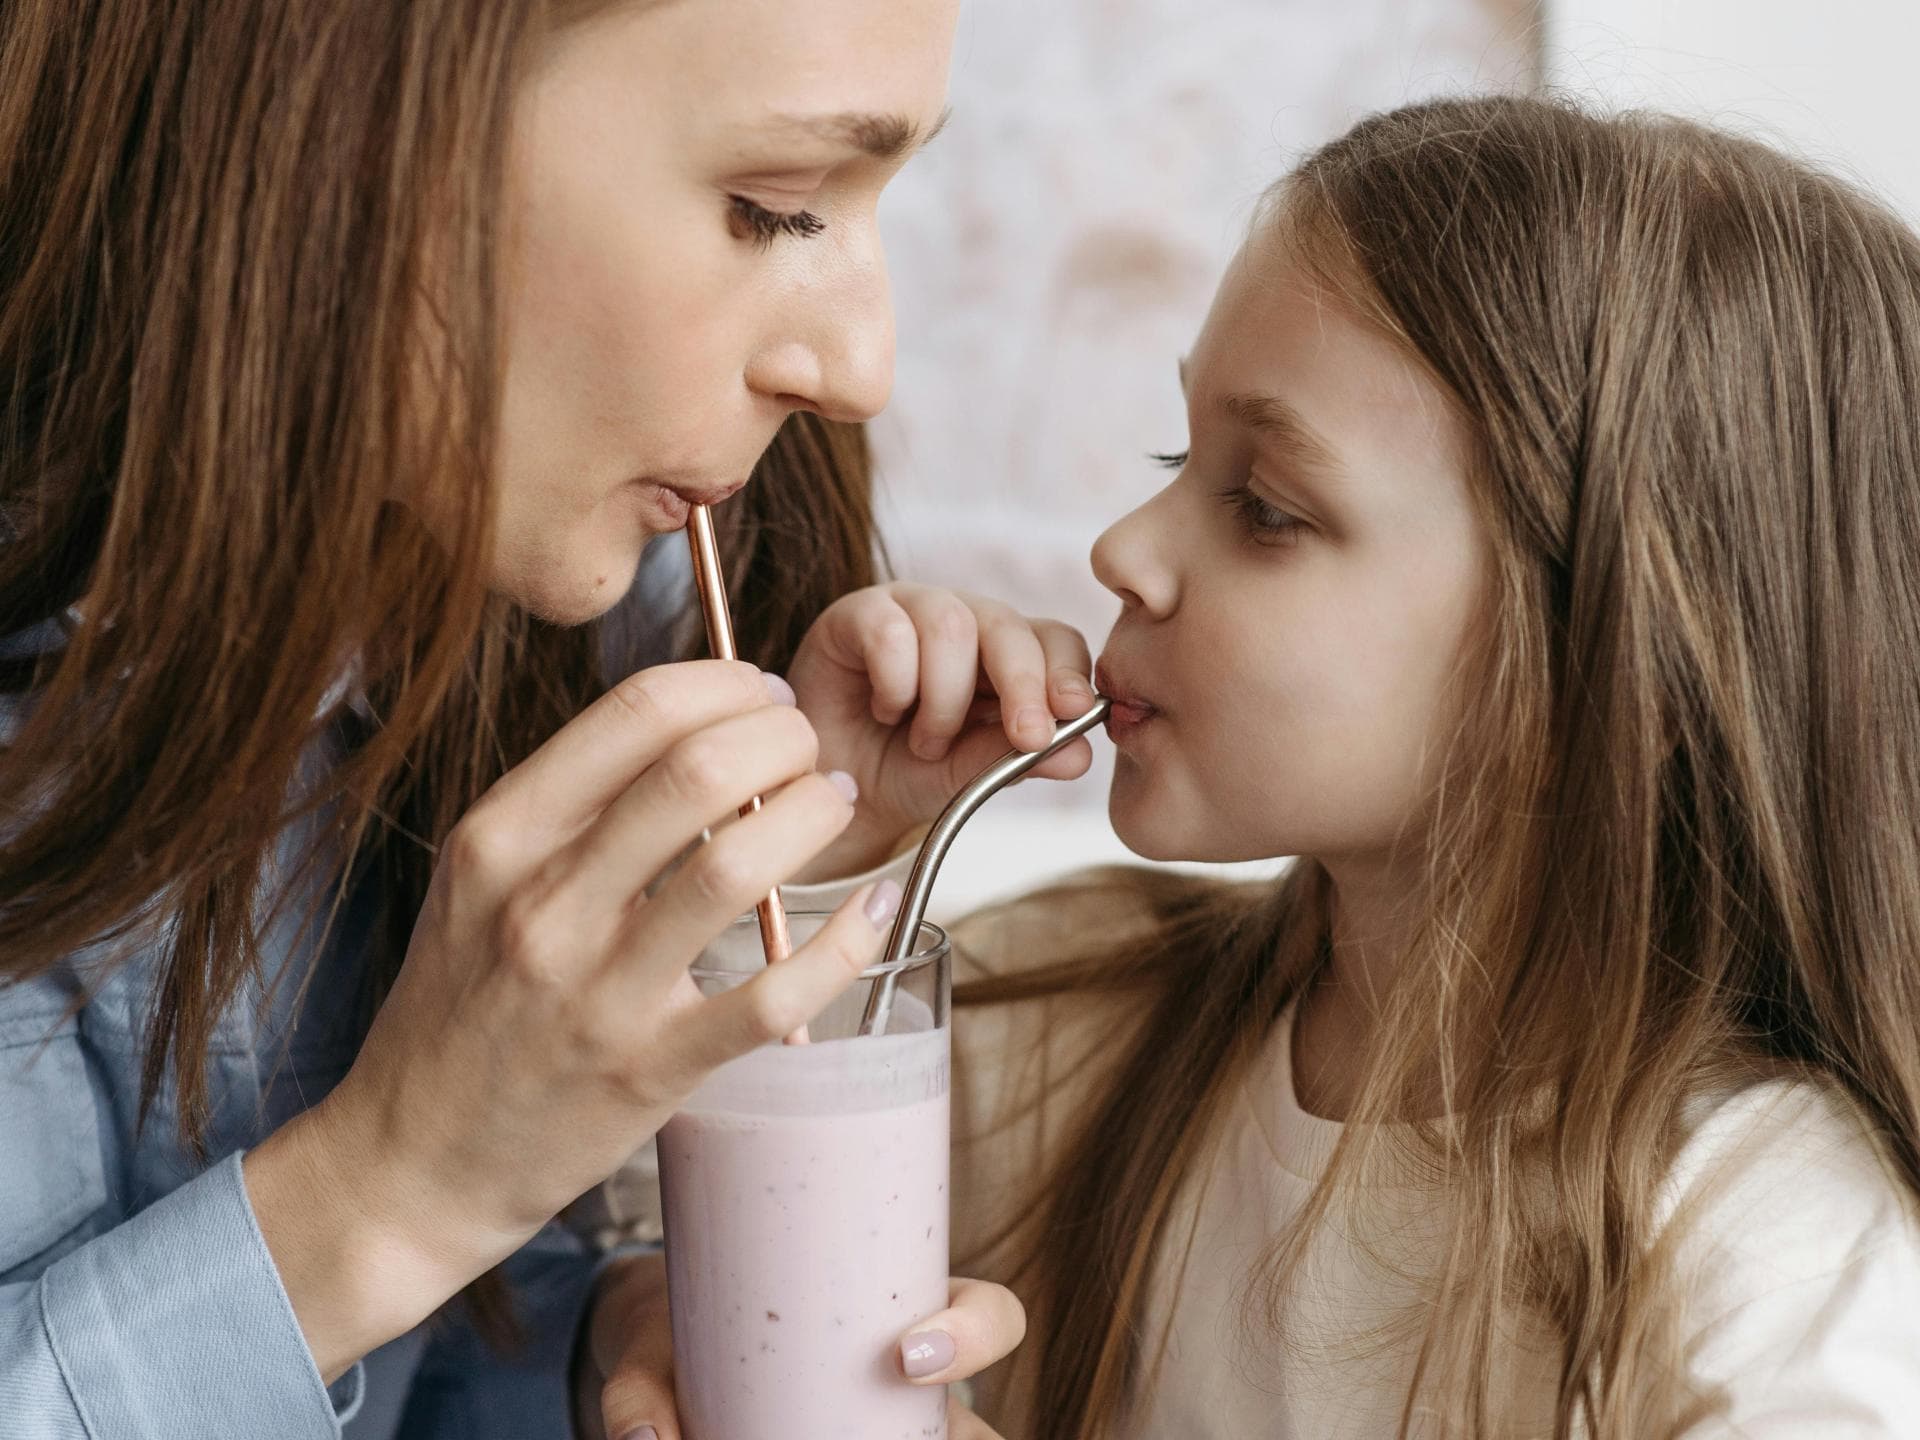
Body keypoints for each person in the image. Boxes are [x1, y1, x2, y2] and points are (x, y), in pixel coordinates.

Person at [608, 94, 1920, 1438]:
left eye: (1267, 507)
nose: (1123, 548)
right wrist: (825, 843)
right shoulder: (1082, 1010)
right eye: (1181, 456)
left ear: (1620, 655)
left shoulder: (1775, 1262)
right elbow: (632, 1201)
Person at [0, 2, 1094, 1435]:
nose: (860, 367)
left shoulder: (540, 607)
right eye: (773, 205)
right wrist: (392, 1191)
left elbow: (408, 1370)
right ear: (350, 104)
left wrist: (597, 1348)